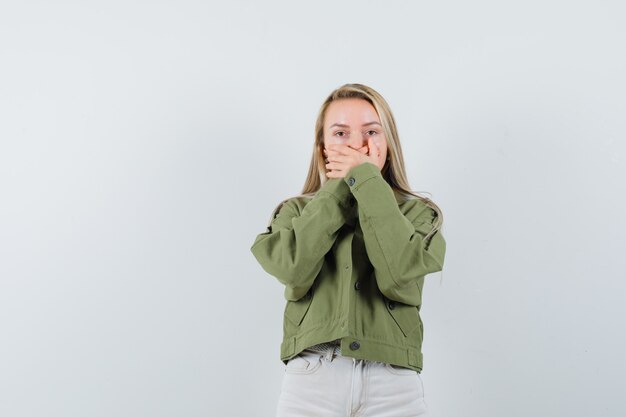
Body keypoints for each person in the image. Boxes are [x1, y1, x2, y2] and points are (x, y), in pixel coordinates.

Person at [250, 83, 446, 417]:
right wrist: (344, 185)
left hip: (394, 381)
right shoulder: (294, 211)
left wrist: (365, 181)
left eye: (371, 131)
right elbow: (293, 270)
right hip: (312, 378)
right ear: (322, 146)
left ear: (388, 143)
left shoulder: (419, 213)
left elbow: (399, 275)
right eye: (340, 133)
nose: (357, 144)